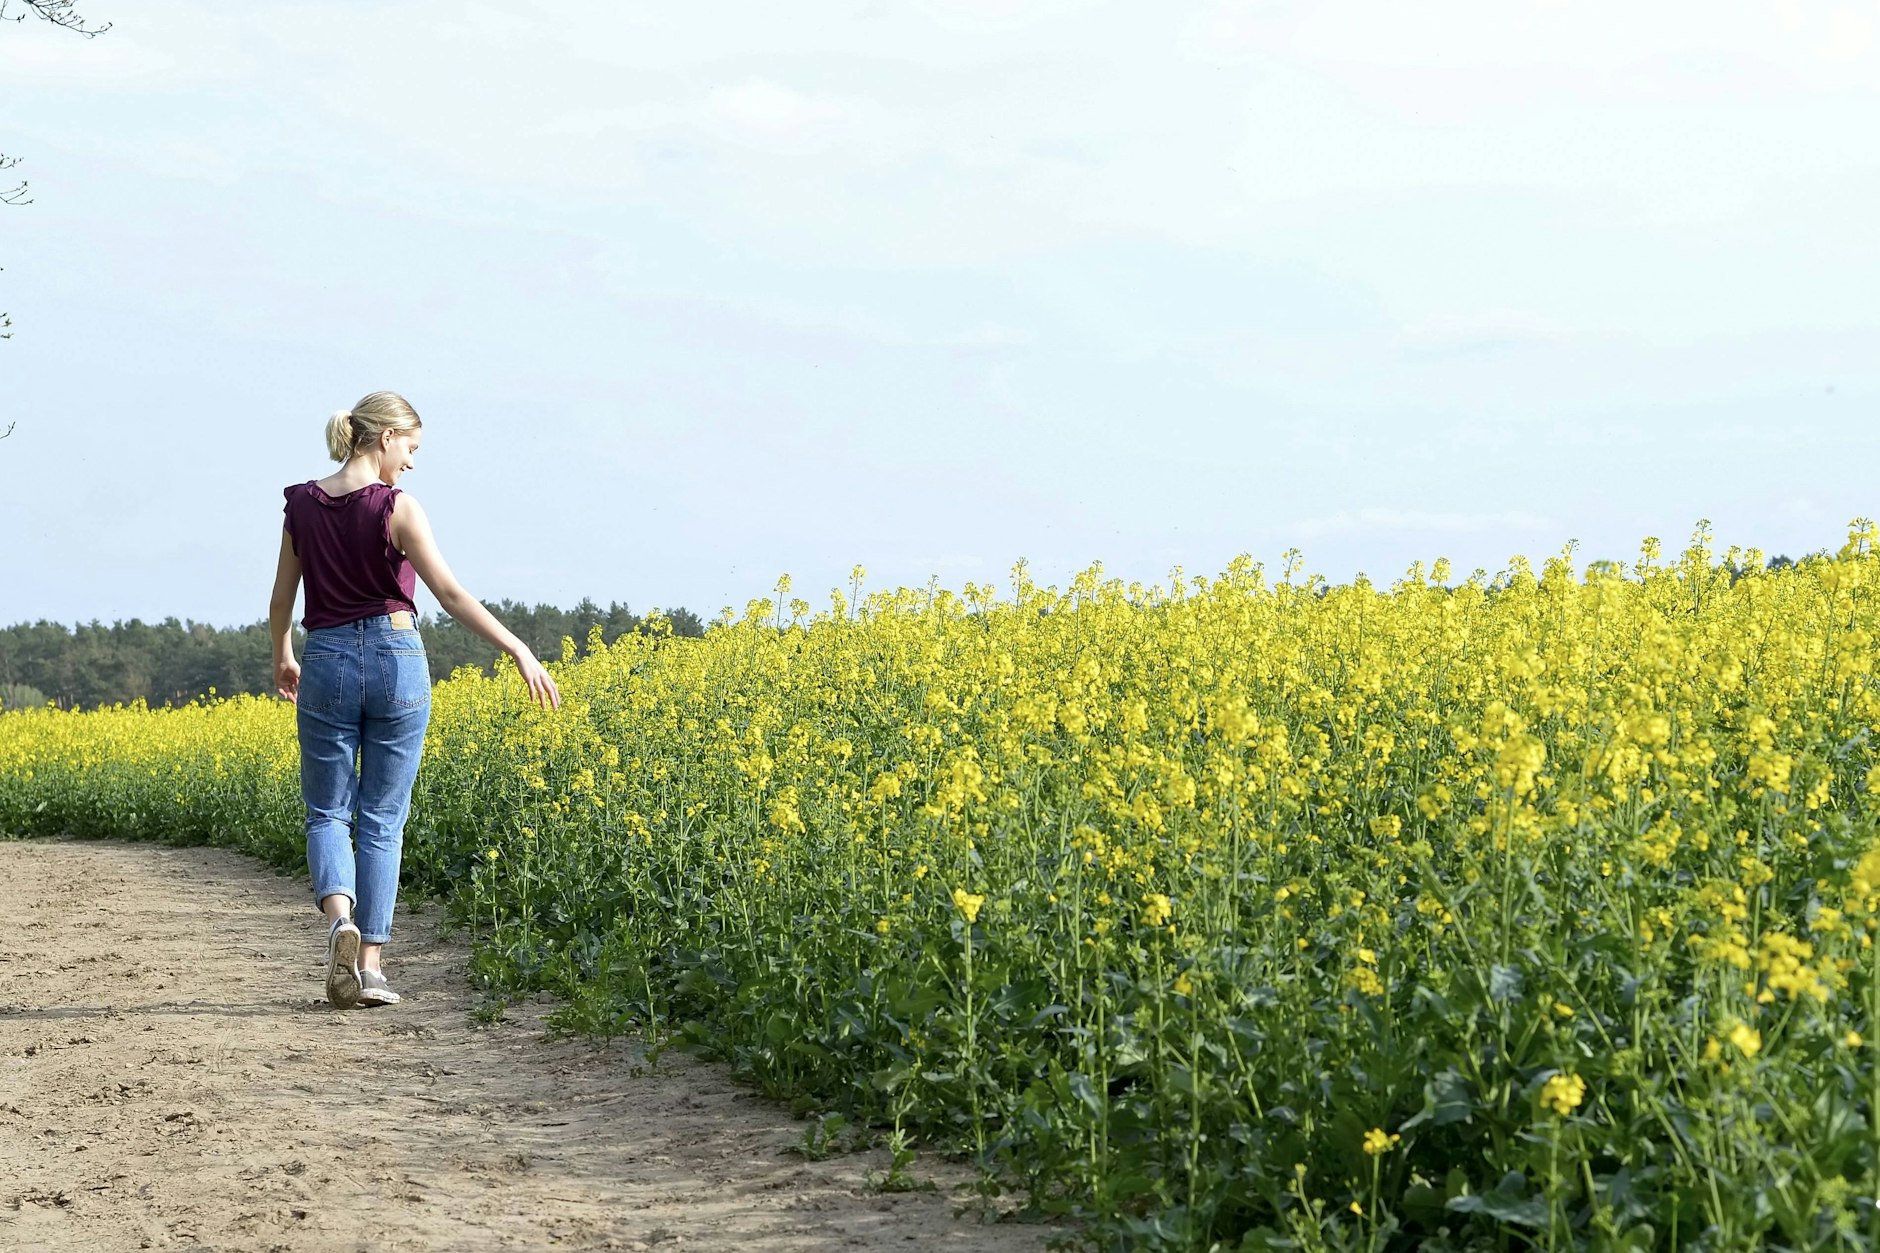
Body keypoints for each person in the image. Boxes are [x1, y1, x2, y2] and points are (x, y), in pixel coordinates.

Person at [267, 392, 561, 1008]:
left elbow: (281, 598)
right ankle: (370, 967)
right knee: (382, 819)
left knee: (327, 812)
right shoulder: (397, 508)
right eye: (411, 447)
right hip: (398, 659)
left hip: (325, 658)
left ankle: (340, 923)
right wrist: (518, 650)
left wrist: (283, 654)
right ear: (383, 438)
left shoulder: (301, 505)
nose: (412, 462)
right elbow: (450, 594)